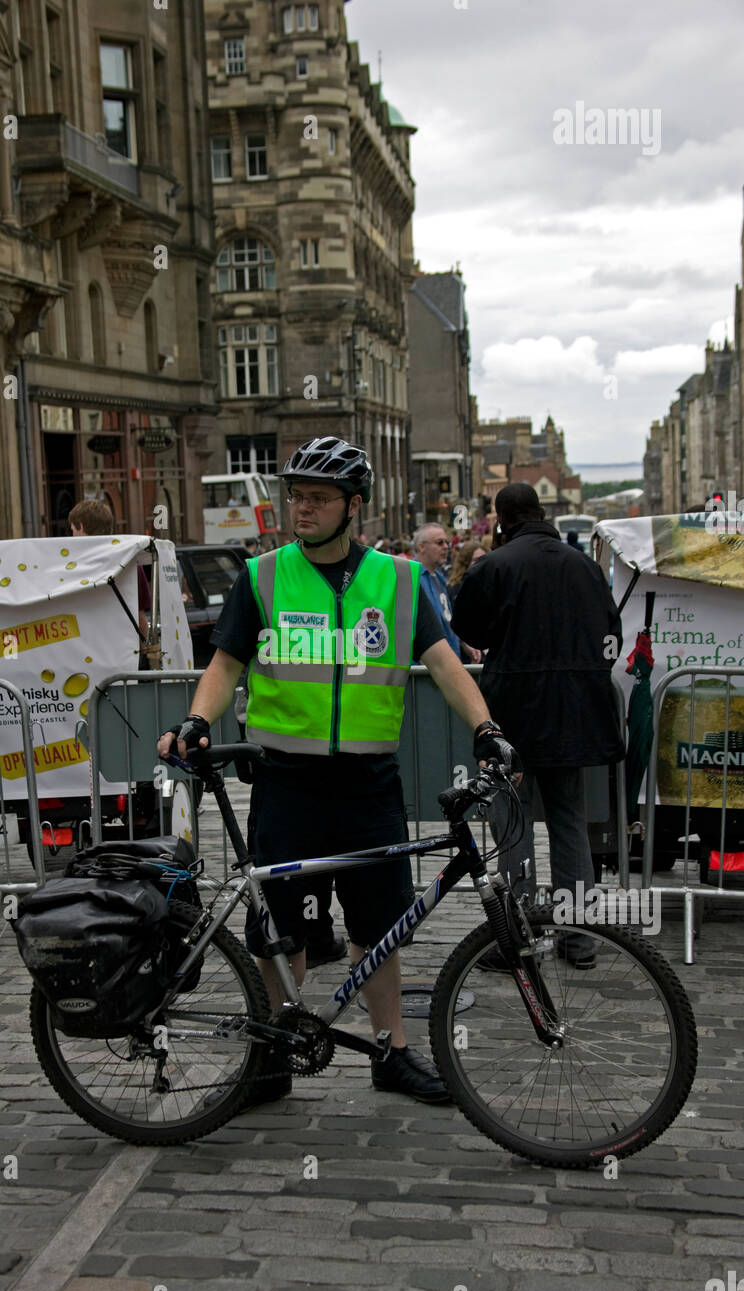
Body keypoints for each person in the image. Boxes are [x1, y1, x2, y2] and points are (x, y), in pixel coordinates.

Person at [157, 437, 514, 1106]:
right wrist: (198, 720)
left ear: (354, 506)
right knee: (279, 925)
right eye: (296, 496)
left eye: (318, 497)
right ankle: (270, 1056)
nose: (302, 508)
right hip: (284, 780)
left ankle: (391, 1052)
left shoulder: (400, 581)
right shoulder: (261, 577)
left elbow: (443, 665)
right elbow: (225, 665)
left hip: (367, 782)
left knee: (377, 925)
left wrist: (486, 728)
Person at [450, 483, 624, 968]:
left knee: (514, 827)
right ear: (542, 512)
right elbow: (611, 633)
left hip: (515, 716)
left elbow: (470, 629)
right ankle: (578, 938)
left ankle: (519, 938)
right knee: (569, 824)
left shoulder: (497, 565)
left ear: (502, 519)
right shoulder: (583, 567)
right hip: (573, 716)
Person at [68, 499, 151, 648]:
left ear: (81, 526)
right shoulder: (130, 564)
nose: (72, 535)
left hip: (80, 653)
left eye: (73, 530)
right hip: (121, 652)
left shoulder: (71, 567)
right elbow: (139, 618)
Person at [413, 523, 482, 665]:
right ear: (421, 547)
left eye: (446, 542)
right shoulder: (410, 577)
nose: (446, 547)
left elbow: (447, 618)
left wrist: (464, 644)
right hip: (429, 670)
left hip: (450, 662)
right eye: (439, 543)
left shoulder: (440, 578)